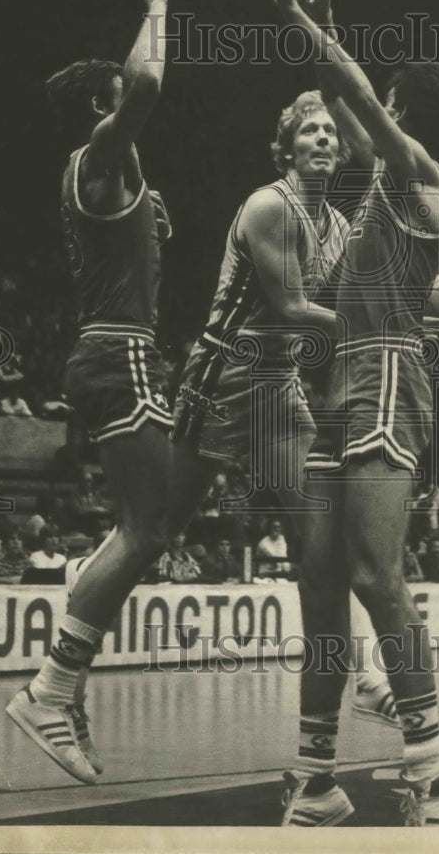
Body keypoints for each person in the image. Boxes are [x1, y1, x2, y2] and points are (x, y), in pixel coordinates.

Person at [273, 0, 439, 826]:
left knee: (375, 576)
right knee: (317, 577)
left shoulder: (421, 177)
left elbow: (352, 98)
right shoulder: (379, 182)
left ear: (399, 108)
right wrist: (331, 13)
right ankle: (316, 778)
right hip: (334, 383)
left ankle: (434, 776)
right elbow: (353, 114)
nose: (360, 127)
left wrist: (299, 17)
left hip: (388, 375)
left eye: (378, 109)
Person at [6, 0, 172, 785]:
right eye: (119, 95)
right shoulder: (102, 158)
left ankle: (85, 579)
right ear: (102, 108)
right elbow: (147, 86)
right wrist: (159, 7)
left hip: (112, 354)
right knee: (152, 529)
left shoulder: (103, 172)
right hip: (119, 352)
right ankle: (49, 689)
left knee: (146, 525)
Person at [167, 87, 350, 553]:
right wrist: (374, 327)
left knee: (321, 528)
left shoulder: (340, 227)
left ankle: (325, 627)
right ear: (289, 150)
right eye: (311, 130)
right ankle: (84, 576)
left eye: (331, 130)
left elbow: (352, 306)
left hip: (279, 381)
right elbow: (293, 309)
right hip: (225, 373)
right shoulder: (271, 205)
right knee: (158, 528)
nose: (324, 138)